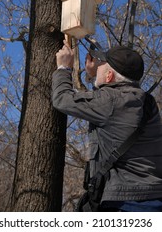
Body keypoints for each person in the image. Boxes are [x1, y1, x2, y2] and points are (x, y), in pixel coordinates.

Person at [52, 40, 162, 212]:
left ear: (109, 76)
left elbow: (62, 99)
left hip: (124, 203)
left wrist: (64, 68)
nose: (98, 66)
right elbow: (108, 109)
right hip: (153, 198)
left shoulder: (109, 102)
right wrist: (92, 76)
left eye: (102, 64)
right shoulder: (147, 102)